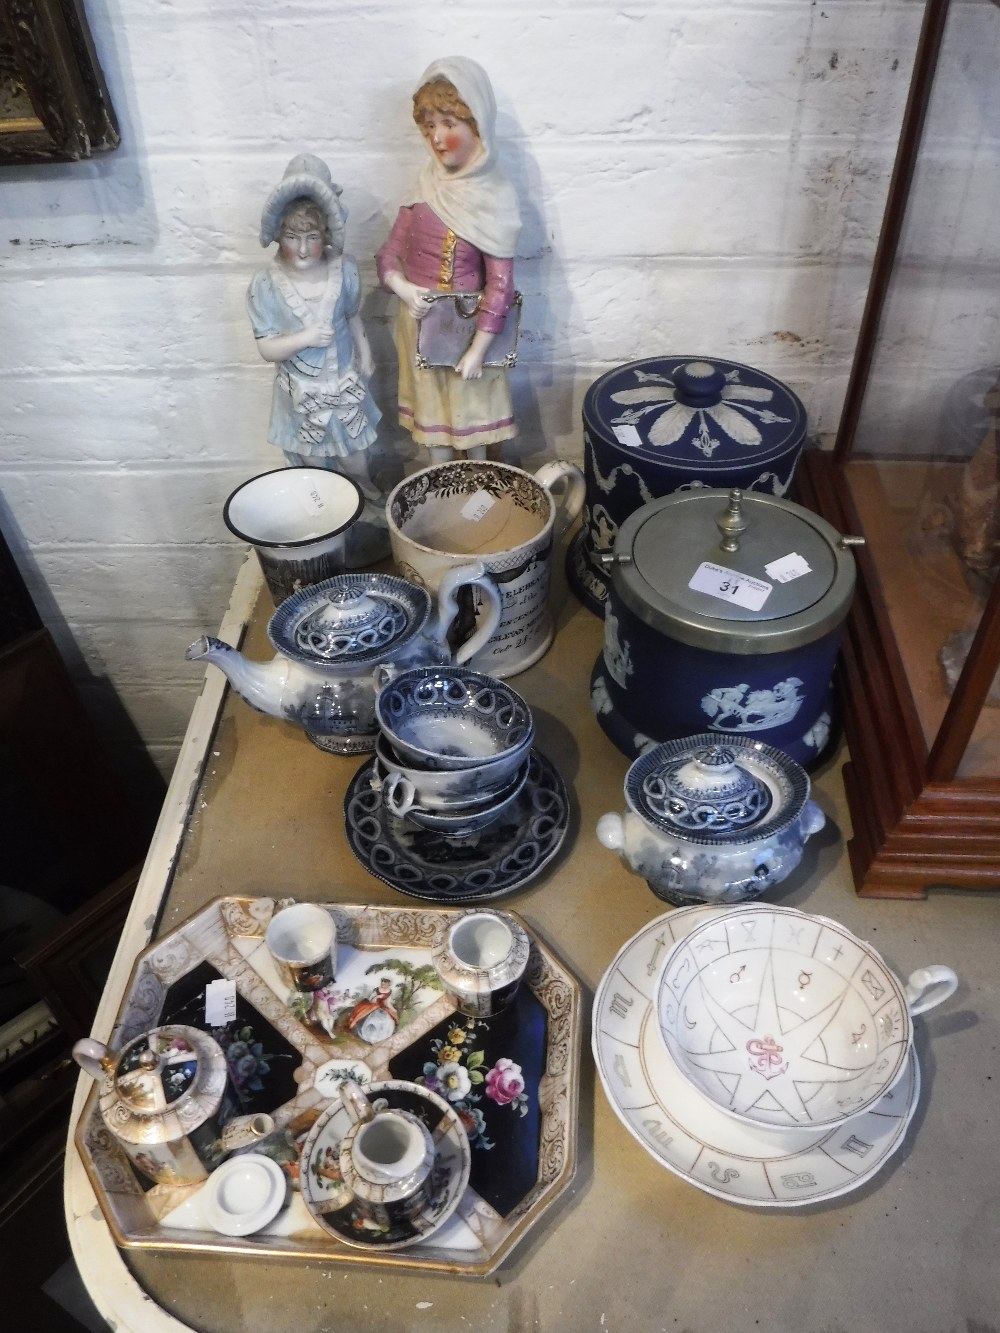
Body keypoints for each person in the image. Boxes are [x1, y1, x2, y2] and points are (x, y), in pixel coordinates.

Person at [377, 57, 522, 464]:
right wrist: (405, 289)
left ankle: (477, 487)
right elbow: (388, 255)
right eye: (428, 127)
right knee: (434, 424)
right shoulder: (423, 193)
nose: (437, 138)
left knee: (473, 422)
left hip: (468, 328)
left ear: (478, 125)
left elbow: (500, 284)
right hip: (421, 328)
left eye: (449, 125)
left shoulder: (496, 199)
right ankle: (440, 493)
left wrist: (479, 348)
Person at [248, 154, 388, 561]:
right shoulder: (266, 286)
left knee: (357, 458)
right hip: (303, 396)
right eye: (293, 237)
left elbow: (351, 316)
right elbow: (266, 347)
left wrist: (363, 351)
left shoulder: (344, 271)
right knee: (316, 465)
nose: (305, 248)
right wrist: (305, 337)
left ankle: (369, 508)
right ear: (278, 235)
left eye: (312, 236)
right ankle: (331, 528)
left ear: (327, 232)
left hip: (344, 385)